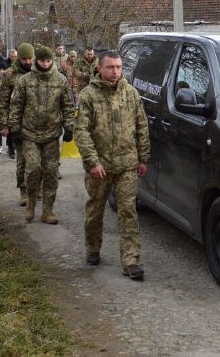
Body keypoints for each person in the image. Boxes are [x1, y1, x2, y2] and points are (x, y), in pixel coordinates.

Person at [74, 50, 150, 280]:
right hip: (100, 167)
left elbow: (141, 126)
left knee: (128, 211)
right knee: (95, 210)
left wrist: (143, 157)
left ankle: (130, 260)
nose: (115, 71)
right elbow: (81, 131)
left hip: (127, 164)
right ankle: (93, 248)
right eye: (110, 67)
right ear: (100, 68)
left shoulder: (131, 93)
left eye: (118, 67)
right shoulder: (88, 95)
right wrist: (92, 162)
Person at [9, 44, 74, 224]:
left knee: (51, 172)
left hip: (52, 135)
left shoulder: (60, 80)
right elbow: (16, 105)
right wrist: (14, 128)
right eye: (41, 60)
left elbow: (68, 106)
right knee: (34, 169)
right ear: (36, 60)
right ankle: (31, 203)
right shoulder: (25, 80)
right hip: (29, 134)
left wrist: (69, 126)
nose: (45, 64)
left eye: (48, 61)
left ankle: (47, 210)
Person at [0, 43, 34, 199]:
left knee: (39, 161)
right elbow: (3, 102)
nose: (27, 62)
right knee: (22, 160)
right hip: (17, 123)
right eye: (24, 59)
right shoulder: (9, 75)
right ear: (19, 58)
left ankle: (37, 186)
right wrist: (3, 125)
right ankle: (24, 190)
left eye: (29, 59)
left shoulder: (38, 71)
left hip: (37, 123)